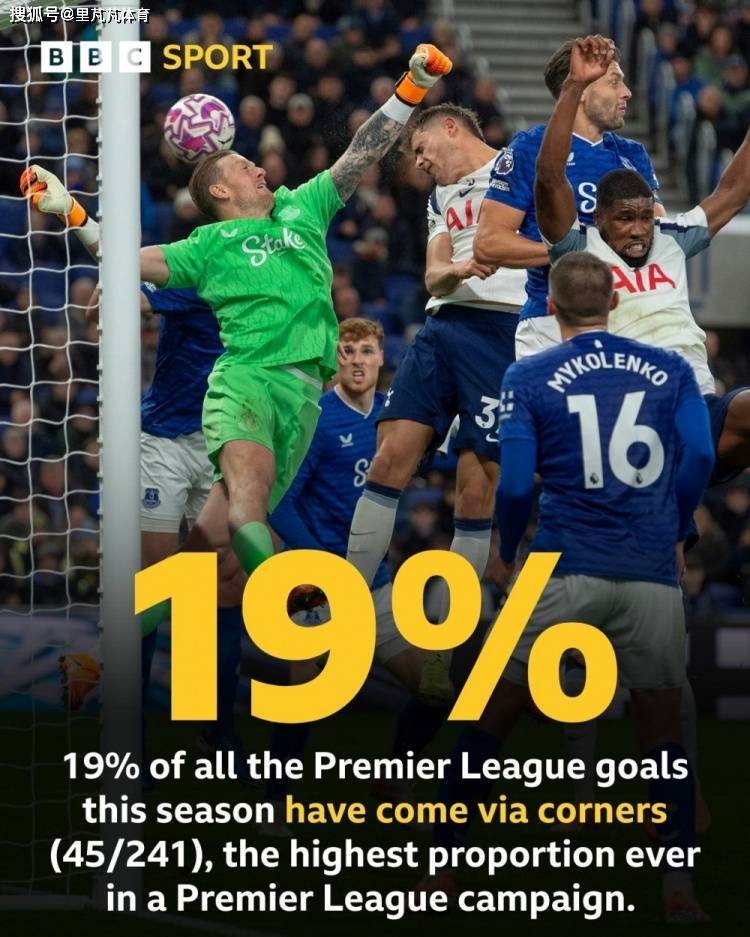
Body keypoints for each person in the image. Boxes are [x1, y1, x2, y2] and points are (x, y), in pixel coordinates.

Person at [20, 43, 453, 602]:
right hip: (244, 380)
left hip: (303, 395)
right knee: (244, 509)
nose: (260, 167)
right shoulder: (206, 246)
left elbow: (360, 153)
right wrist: (73, 213)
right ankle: (282, 595)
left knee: (209, 554)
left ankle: (116, 644)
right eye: (245, 167)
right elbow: (123, 256)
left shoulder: (303, 207)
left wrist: (411, 87)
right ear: (220, 190)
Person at [425, 251, 715, 923]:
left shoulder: (529, 374)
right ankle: (679, 890)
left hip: (559, 563)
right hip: (649, 571)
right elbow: (700, 455)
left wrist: (507, 547)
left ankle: (444, 866)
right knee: (661, 734)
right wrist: (673, 523)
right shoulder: (670, 370)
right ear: (614, 302)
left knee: (488, 714)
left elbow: (515, 483)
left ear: (551, 306)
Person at [261, 318, 453, 833]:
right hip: (319, 582)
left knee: (435, 692)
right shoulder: (315, 419)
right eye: (346, 352)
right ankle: (274, 804)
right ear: (334, 359)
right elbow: (279, 503)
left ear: (382, 357)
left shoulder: (396, 417)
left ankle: (393, 778)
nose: (356, 361)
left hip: (376, 584)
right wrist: (319, 565)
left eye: (366, 351)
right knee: (304, 693)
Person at [534, 34, 750, 483]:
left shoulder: (673, 238)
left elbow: (733, 191)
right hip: (627, 410)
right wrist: (573, 87)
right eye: (625, 219)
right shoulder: (578, 250)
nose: (638, 230)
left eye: (645, 216)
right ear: (598, 218)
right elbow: (550, 178)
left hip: (695, 401)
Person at [346, 103, 525, 610]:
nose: (419, 162)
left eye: (421, 148)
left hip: (504, 332)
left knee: (476, 490)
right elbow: (433, 274)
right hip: (442, 326)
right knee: (387, 458)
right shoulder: (440, 196)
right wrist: (459, 270)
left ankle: (447, 629)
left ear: (450, 128)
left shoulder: (521, 165)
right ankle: (347, 598)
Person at [473, 35, 663, 359]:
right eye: (614, 82)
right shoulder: (529, 148)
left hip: (626, 315)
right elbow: (488, 244)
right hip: (550, 321)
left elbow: (659, 231)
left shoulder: (633, 154)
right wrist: (575, 252)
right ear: (582, 89)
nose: (627, 92)